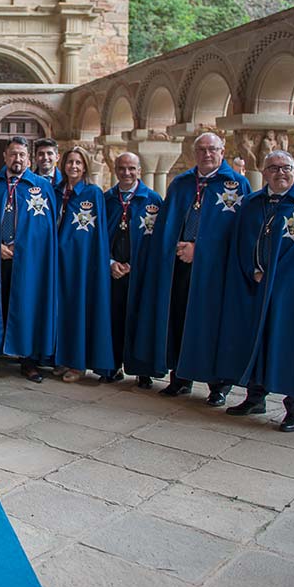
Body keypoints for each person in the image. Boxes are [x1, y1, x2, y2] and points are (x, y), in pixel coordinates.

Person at [215, 151, 294, 432]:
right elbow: (241, 243)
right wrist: (253, 270)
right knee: (255, 340)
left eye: (286, 167)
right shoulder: (252, 204)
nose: (280, 173)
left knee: (291, 346)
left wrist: (278, 278)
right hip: (256, 286)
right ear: (264, 173)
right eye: (273, 168)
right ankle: (255, 397)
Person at [132, 132, 251, 406]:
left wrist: (200, 249)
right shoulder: (182, 183)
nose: (207, 154)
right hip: (179, 265)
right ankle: (180, 377)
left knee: (211, 325)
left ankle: (218, 385)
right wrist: (174, 248)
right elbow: (168, 223)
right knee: (179, 320)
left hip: (216, 271)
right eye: (201, 150)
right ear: (193, 153)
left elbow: (239, 232)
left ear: (222, 151)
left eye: (212, 149)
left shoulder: (237, 184)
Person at [0, 136, 57, 382]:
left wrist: (24, 248)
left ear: (28, 158)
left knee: (25, 306)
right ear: (5, 156)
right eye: (13, 154)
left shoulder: (40, 187)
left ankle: (27, 360)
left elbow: (46, 231)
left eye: (21, 154)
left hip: (28, 261)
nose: (17, 159)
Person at [51, 146, 114, 383]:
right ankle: (61, 358)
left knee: (77, 310)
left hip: (81, 263)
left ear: (85, 166)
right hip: (57, 261)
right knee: (60, 310)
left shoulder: (92, 193)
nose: (74, 166)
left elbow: (98, 234)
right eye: (70, 162)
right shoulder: (56, 191)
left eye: (78, 162)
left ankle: (77, 363)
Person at [106, 152, 164, 386]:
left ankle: (142, 370)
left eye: (131, 168)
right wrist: (110, 263)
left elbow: (158, 240)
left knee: (142, 321)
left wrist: (135, 265)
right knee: (113, 319)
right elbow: (99, 237)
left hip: (141, 273)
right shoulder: (108, 199)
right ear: (115, 170)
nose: (126, 173)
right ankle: (112, 365)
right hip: (113, 271)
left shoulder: (153, 200)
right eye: (122, 168)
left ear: (139, 170)